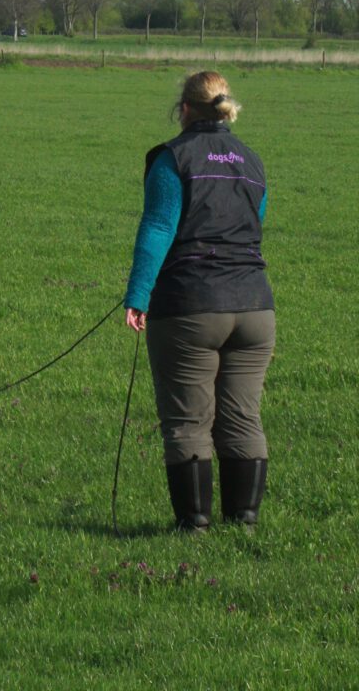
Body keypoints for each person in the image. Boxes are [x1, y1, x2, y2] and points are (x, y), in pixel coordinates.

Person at [124, 71, 274, 532]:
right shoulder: (251, 159)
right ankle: (244, 522)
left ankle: (193, 525)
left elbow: (158, 228)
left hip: (191, 305)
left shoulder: (174, 158)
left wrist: (138, 294)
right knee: (242, 417)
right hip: (254, 307)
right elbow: (257, 219)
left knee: (188, 421)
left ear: (184, 109)